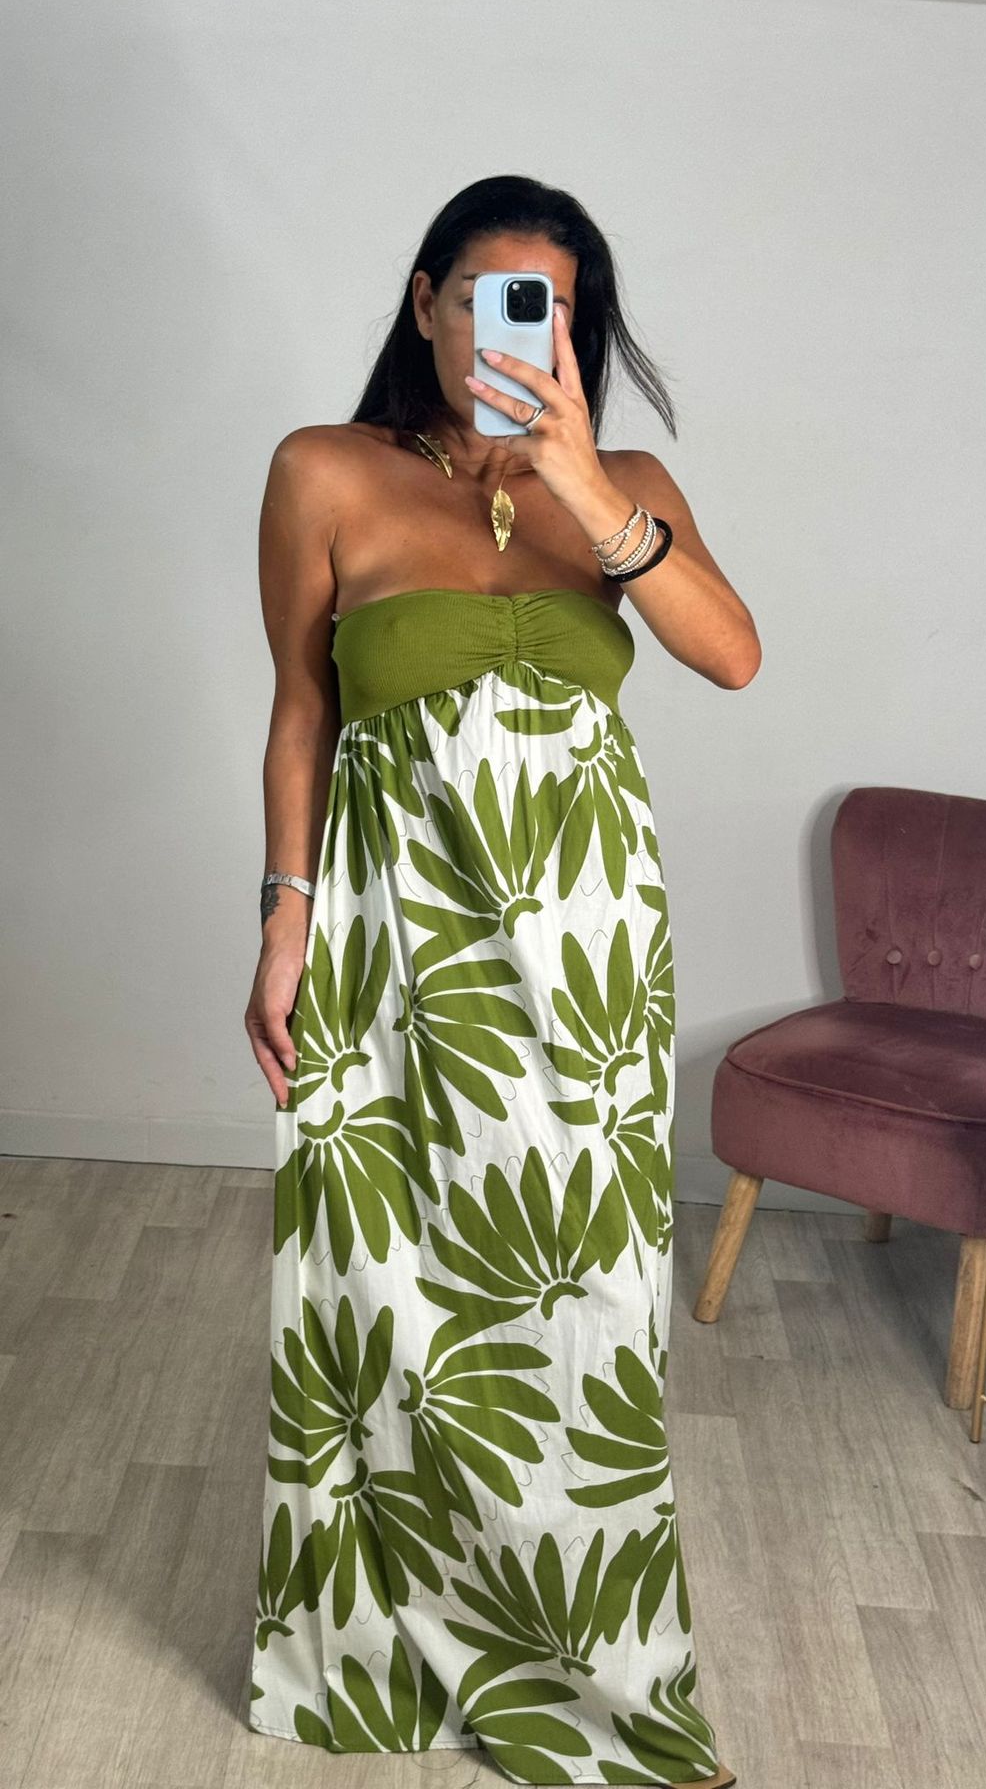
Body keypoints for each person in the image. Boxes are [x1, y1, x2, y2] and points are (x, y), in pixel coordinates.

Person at [244, 173, 759, 1788]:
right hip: (390, 942)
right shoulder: (325, 471)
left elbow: (730, 654)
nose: (515, 331)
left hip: (586, 961)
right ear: (424, 304)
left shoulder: (625, 489)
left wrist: (582, 483)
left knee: (579, 1312)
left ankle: (597, 1678)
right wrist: (282, 921)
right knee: (377, 1294)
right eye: (487, 297)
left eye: (552, 308)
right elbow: (301, 709)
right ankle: (373, 1657)